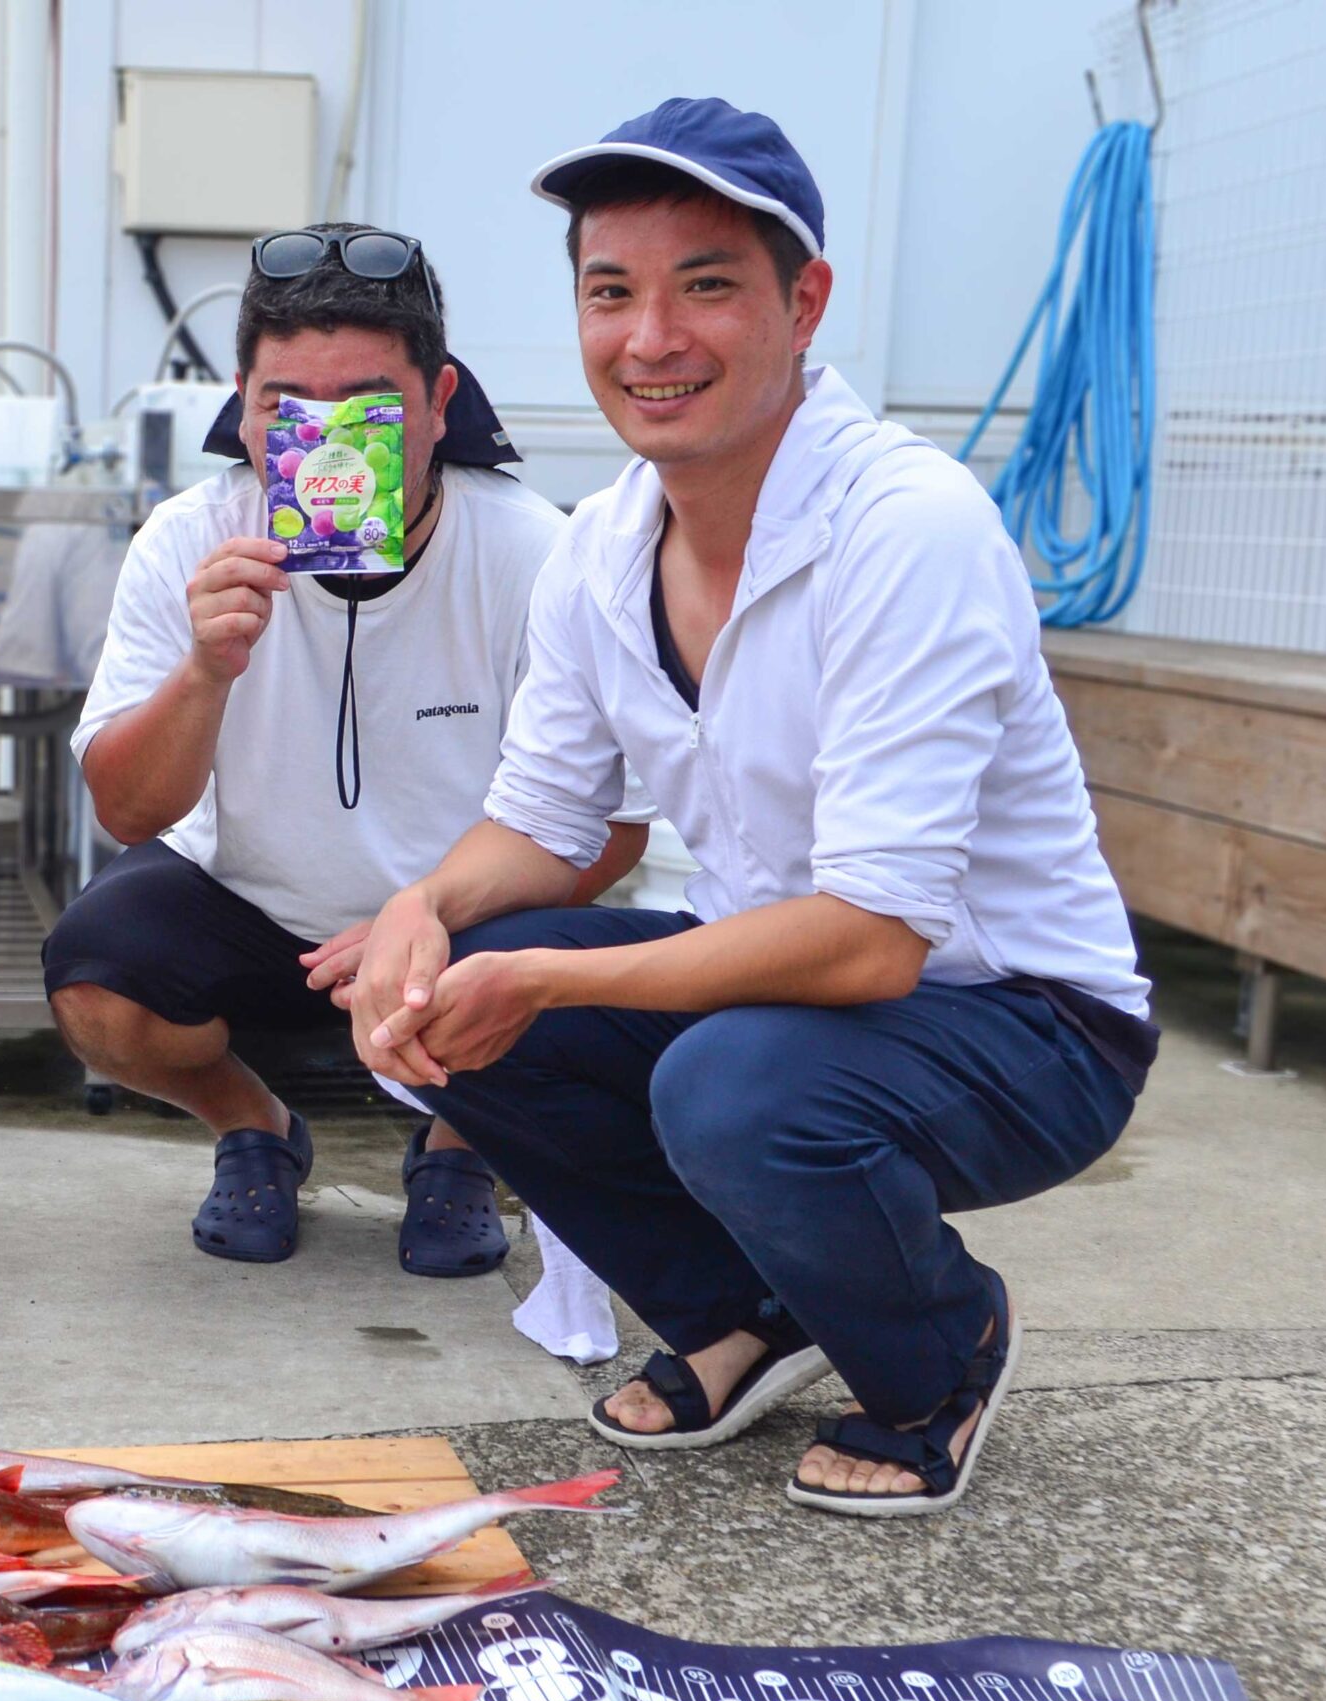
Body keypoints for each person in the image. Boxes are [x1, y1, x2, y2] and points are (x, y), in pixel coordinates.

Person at [349, 100, 1156, 1517]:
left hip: (1026, 1020)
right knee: (455, 999)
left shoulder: (908, 527)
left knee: (718, 1085)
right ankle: (745, 1312)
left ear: (805, 302)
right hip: (794, 1001)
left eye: (706, 284)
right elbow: (539, 822)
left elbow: (873, 942)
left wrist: (548, 970)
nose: (651, 337)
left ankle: (937, 1351)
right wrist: (421, 912)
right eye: (612, 292)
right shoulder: (603, 547)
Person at [44, 225, 649, 1272]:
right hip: (253, 903)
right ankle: (256, 1128)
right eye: (286, 407)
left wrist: (426, 914)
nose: (327, 438)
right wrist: (203, 671)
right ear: (241, 404)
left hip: (459, 918)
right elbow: (127, 813)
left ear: (437, 403)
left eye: (368, 403)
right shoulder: (190, 536)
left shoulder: (532, 552)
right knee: (96, 971)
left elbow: (620, 823)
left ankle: (461, 1142)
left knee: (554, 956)